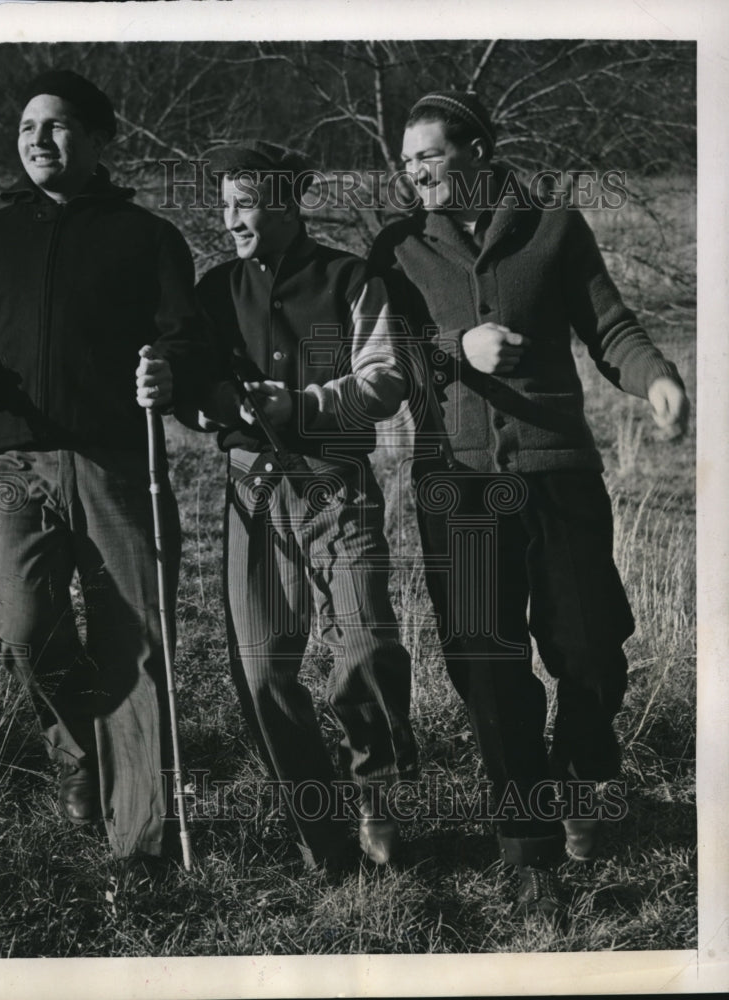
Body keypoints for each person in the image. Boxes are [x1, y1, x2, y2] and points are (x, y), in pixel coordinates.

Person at [368, 91, 690, 918]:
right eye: (405, 162)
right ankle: (528, 848)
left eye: (427, 158)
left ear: (475, 152)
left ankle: (583, 775)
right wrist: (456, 349)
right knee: (487, 666)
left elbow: (609, 325)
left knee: (589, 649)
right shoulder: (396, 247)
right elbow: (386, 357)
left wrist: (654, 376)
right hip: (458, 487)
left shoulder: (555, 229)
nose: (413, 175)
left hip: (557, 476)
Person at [0, 69, 202, 872]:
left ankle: (139, 834)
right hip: (12, 458)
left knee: (135, 639)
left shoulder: (147, 237)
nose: (38, 140)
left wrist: (170, 369)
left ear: (99, 140)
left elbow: (185, 337)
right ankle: (78, 761)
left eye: (55, 126)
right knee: (21, 628)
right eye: (26, 129)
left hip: (118, 458)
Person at [138, 140, 417, 872]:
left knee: (365, 645)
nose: (232, 219)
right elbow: (192, 386)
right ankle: (318, 829)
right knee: (262, 673)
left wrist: (298, 403)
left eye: (246, 203)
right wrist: (192, 397)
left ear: (289, 203)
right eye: (225, 204)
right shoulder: (213, 290)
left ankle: (376, 790)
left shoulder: (350, 278)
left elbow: (384, 378)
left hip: (335, 478)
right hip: (250, 486)